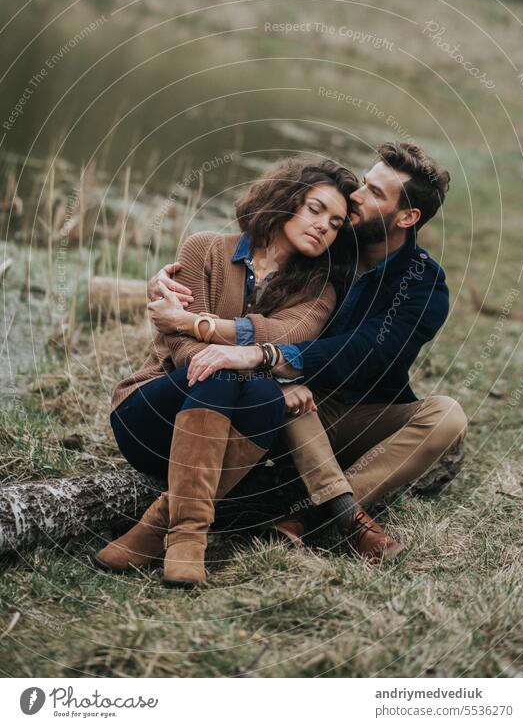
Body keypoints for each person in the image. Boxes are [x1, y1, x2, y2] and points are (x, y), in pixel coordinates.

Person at [182, 142, 469, 562]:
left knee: (448, 416)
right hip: (284, 406)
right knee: (295, 397)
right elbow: (253, 259)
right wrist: (172, 283)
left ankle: (312, 515)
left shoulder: (424, 285)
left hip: (359, 416)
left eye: (375, 192)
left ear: (407, 218)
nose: (356, 196)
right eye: (365, 182)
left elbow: (368, 352)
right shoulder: (325, 242)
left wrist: (274, 357)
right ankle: (349, 518)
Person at [95, 156, 360, 588]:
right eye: (315, 209)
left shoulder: (320, 290)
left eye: (335, 223)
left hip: (223, 441)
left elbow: (288, 333)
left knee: (260, 393)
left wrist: (201, 328)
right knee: (222, 371)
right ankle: (180, 537)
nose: (323, 227)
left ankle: (170, 531)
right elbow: (178, 345)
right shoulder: (204, 249)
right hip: (150, 416)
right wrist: (259, 362)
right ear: (286, 199)